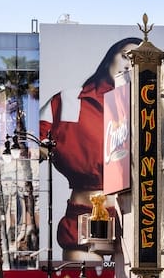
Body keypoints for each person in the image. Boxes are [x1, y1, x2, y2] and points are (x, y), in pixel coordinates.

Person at [41, 37, 140, 260]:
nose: (128, 65)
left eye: (136, 61)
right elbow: (32, 146)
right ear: (110, 57)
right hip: (85, 214)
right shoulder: (70, 100)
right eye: (125, 56)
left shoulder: (149, 107)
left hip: (136, 216)